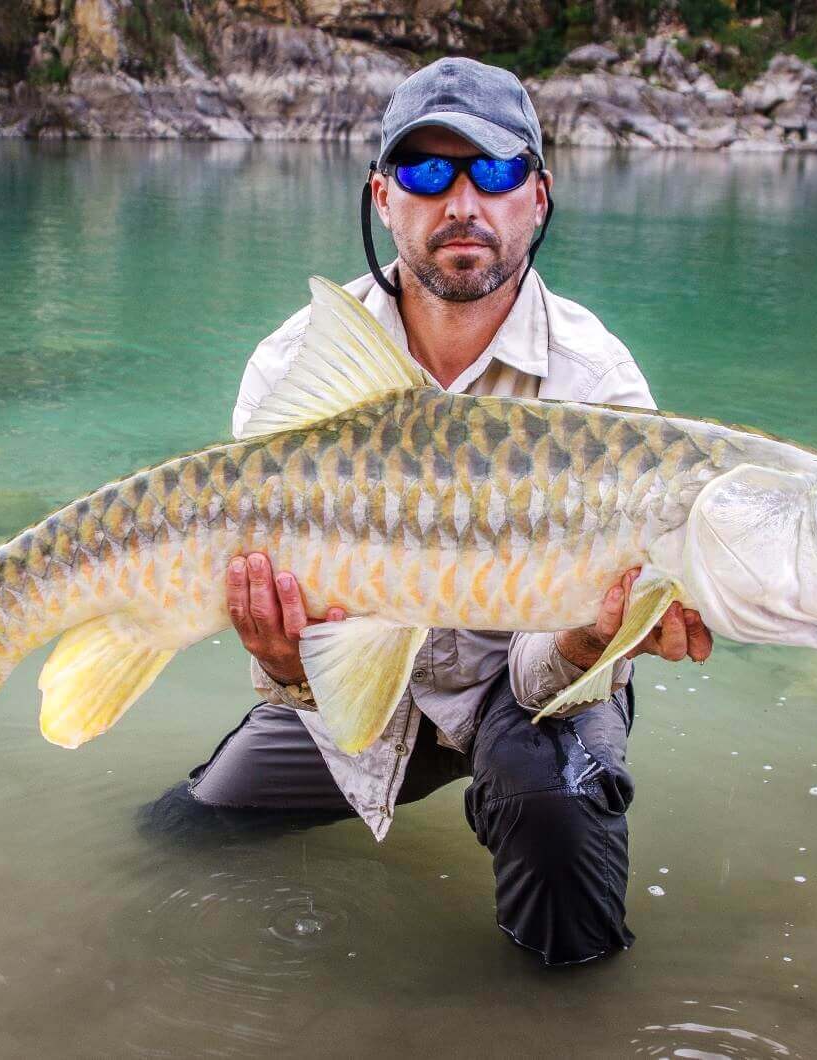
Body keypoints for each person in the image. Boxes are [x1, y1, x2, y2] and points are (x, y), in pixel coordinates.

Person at [149, 57, 714, 966]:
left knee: (556, 806)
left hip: (526, 691)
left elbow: (559, 666)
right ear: (382, 195)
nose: (463, 202)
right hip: (361, 698)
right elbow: (298, 659)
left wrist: (585, 639)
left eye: (493, 172)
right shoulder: (297, 366)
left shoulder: (597, 384)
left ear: (537, 195)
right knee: (183, 833)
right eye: (425, 173)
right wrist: (285, 660)